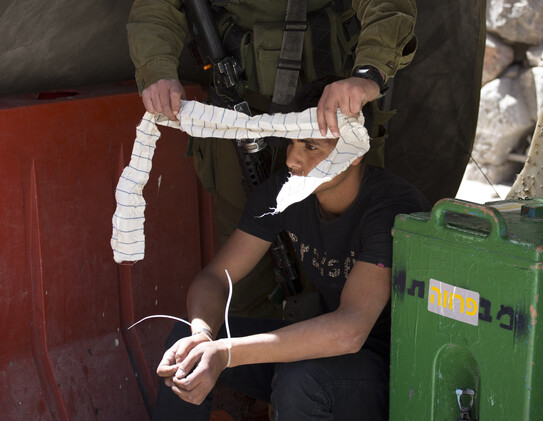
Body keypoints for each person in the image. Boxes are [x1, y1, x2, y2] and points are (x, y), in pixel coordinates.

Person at [127, 0, 418, 319]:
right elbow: (156, 2)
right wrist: (157, 71)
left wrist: (367, 74)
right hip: (236, 108)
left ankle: (347, 363)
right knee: (246, 249)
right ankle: (249, 362)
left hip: (326, 110)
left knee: (349, 240)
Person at [151, 79, 431, 420]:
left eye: (311, 146)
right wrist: (203, 335)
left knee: (300, 379)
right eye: (293, 141)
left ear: (355, 152)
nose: (294, 159)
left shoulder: (391, 207)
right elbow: (215, 277)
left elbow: (351, 330)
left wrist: (225, 353)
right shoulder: (285, 191)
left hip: (393, 375)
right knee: (184, 342)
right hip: (325, 354)